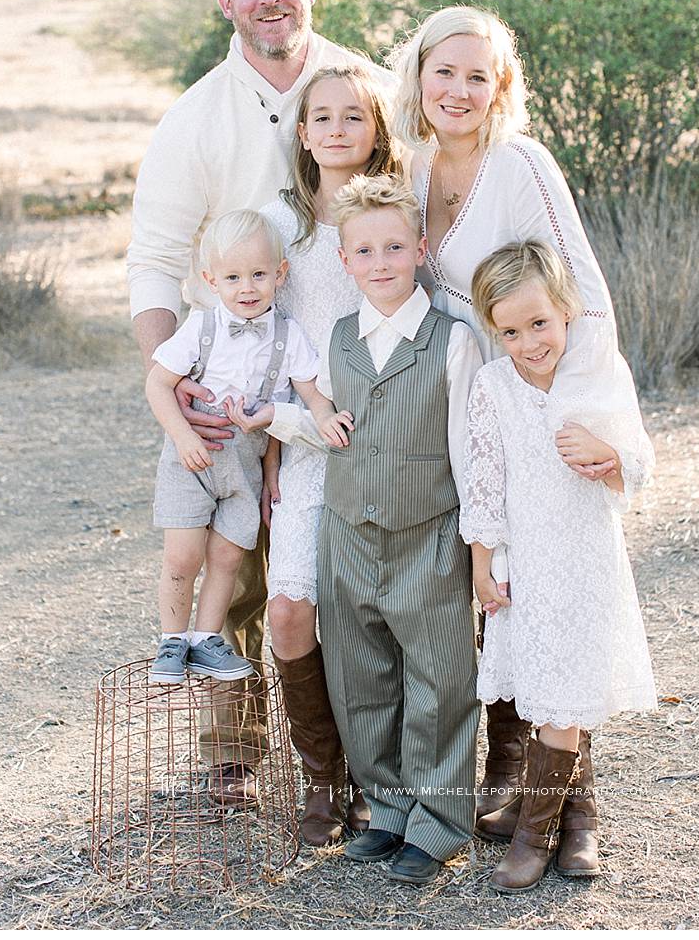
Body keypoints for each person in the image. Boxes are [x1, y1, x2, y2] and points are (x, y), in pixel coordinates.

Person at [127, 0, 392, 798]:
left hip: (345, 376)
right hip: (227, 381)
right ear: (226, 3)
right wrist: (176, 380)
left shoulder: (366, 89)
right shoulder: (194, 118)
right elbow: (157, 260)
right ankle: (231, 755)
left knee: (350, 569)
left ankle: (361, 757)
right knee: (230, 568)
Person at [390, 4, 624, 860]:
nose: (457, 89)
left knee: (553, 596)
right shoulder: (410, 167)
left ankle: (578, 814)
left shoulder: (521, 164)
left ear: (500, 90)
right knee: (496, 594)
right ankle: (513, 780)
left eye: (476, 76)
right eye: (443, 71)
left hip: (535, 408)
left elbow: (588, 298)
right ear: (418, 74)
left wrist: (583, 421)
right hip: (457, 410)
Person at [245, 174, 483, 885]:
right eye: (365, 251)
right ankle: (385, 809)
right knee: (362, 678)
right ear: (344, 261)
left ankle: (436, 824)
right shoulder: (337, 340)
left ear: (419, 248)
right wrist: (276, 422)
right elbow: (328, 428)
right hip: (349, 536)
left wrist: (478, 548)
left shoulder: (451, 341)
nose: (381, 262)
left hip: (430, 535)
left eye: (393, 247)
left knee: (438, 681)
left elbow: (471, 454)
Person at [462, 240, 657, 892]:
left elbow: (639, 457)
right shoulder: (493, 387)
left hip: (585, 558)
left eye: (539, 323)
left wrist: (607, 451)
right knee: (549, 692)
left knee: (565, 698)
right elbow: (484, 484)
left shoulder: (595, 374)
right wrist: (482, 561)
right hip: (528, 559)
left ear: (567, 312)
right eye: (510, 331)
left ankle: (538, 833)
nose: (528, 342)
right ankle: (576, 816)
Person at [255, 63, 403, 845]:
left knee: (378, 619)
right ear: (303, 133)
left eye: (355, 115)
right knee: (289, 608)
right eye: (323, 116)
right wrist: (276, 445)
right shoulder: (283, 230)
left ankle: (388, 779)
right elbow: (265, 342)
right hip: (311, 443)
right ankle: (323, 779)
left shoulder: (396, 211)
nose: (339, 128)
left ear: (376, 127)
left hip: (396, 443)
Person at [145, 209, 339, 686]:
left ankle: (206, 639)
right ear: (212, 280)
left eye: (258, 275)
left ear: (281, 274)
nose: (247, 287)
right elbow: (157, 385)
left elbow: (308, 392)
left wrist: (324, 418)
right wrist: (184, 436)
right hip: (192, 459)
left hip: (245, 468)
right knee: (183, 557)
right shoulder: (201, 327)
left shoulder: (288, 334)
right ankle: (172, 639)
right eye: (233, 277)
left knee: (229, 559)